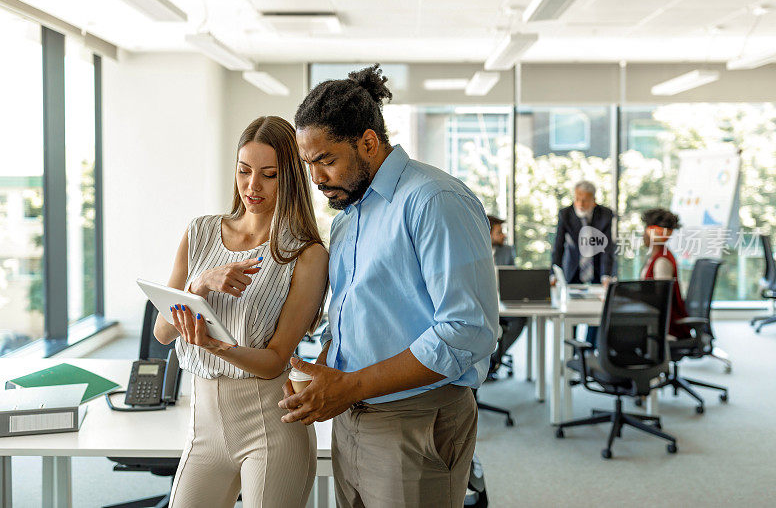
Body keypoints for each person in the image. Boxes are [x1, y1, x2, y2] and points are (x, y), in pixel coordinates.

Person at [278, 64, 500, 508]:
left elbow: (467, 331)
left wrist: (351, 385)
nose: (317, 178)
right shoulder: (349, 218)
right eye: (310, 164)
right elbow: (353, 318)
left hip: (416, 420)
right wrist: (321, 373)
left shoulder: (434, 200)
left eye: (326, 160)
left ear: (368, 142)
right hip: (353, 414)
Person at [154, 116, 329, 508]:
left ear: (290, 178)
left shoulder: (305, 253)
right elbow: (163, 332)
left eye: (269, 174)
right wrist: (196, 286)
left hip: (270, 425)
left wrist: (217, 346)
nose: (253, 186)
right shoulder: (199, 232)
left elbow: (273, 362)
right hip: (204, 426)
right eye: (244, 171)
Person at [552, 180, 616, 346]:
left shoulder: (606, 215)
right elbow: (558, 246)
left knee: (596, 313)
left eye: (585, 200)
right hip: (573, 269)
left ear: (593, 201)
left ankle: (588, 350)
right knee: (570, 313)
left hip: (596, 269)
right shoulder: (565, 214)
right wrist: (554, 273)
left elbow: (608, 248)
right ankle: (572, 351)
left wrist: (606, 275)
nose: (580, 203)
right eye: (577, 198)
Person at [640, 208, 692, 340]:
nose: (643, 235)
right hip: (654, 319)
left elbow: (660, 300)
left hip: (666, 328)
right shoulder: (657, 256)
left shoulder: (662, 261)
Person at [487, 215, 525, 378]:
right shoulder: (473, 251)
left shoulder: (507, 250)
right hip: (481, 304)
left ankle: (494, 360)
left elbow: (513, 278)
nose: (504, 235)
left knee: (520, 318)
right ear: (487, 234)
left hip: (503, 300)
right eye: (499, 232)